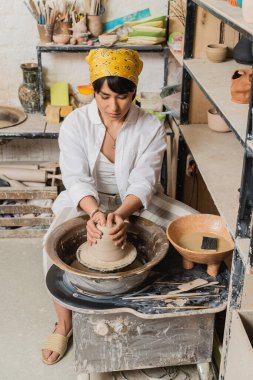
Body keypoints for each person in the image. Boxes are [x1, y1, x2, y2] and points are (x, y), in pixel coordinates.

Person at [41, 48, 191, 365]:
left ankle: (161, 309)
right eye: (105, 95)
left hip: (134, 201)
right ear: (94, 91)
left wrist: (122, 214)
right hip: (85, 199)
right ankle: (64, 322)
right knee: (51, 242)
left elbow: (143, 182)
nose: (113, 106)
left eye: (123, 97)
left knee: (188, 226)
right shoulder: (75, 124)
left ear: (134, 91)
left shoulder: (149, 126)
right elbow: (75, 177)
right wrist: (94, 214)